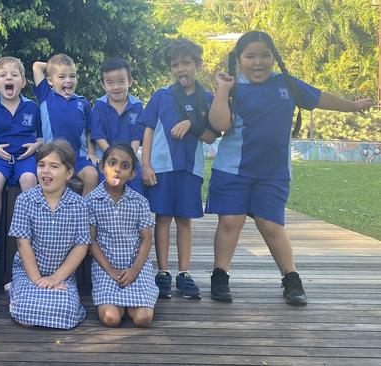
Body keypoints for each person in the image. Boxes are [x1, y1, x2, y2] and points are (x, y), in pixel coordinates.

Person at [207, 31, 374, 305]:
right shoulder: (233, 87)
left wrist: (353, 106)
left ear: (274, 57)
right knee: (230, 222)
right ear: (239, 60)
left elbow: (320, 98)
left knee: (271, 224)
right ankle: (220, 275)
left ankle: (291, 278)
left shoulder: (286, 84)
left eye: (265, 55)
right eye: (250, 56)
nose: (258, 62)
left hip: (273, 173)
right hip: (232, 170)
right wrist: (223, 89)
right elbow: (219, 124)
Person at [139, 39, 218, 300]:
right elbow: (148, 130)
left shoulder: (207, 98)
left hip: (191, 168)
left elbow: (210, 136)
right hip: (161, 168)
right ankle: (163, 272)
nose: (180, 68)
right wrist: (146, 164)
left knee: (184, 220)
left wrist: (190, 124)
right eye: (175, 64)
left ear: (198, 64)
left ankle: (184, 273)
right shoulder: (161, 96)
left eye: (186, 62)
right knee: (161, 218)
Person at [7, 140, 89, 329]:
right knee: (24, 315)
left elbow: (81, 246)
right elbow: (23, 244)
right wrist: (37, 280)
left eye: (54, 166)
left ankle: (40, 294)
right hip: (28, 272)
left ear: (68, 173)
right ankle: (15, 290)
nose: (45, 171)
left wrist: (55, 279)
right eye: (41, 165)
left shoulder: (79, 205)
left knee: (68, 315)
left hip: (62, 273)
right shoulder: (25, 200)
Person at [0, 57, 42, 262]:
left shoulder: (32, 107)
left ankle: (32, 230)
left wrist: (35, 147)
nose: (9, 78)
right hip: (1, 157)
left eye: (14, 75)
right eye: (3, 75)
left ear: (23, 82)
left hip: (25, 157)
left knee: (29, 181)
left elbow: (41, 137)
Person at [86, 144, 157, 327]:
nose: (117, 169)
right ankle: (116, 304)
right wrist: (110, 270)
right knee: (111, 318)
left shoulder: (139, 201)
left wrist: (134, 270)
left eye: (125, 166)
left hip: (136, 267)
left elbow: (147, 239)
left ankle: (131, 305)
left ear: (132, 173)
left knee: (143, 319)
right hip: (106, 268)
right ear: (102, 167)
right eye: (112, 163)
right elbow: (91, 241)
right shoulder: (92, 201)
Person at [33, 54, 98, 195]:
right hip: (52, 156)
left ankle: (83, 213)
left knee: (92, 175)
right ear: (50, 81)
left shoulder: (83, 102)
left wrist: (91, 151)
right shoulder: (46, 95)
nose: (68, 80)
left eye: (72, 76)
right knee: (51, 180)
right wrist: (52, 67)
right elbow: (37, 66)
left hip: (78, 158)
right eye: (62, 77)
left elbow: (89, 130)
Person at [90, 57, 145, 195]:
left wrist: (127, 159)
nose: (116, 87)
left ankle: (134, 215)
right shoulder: (99, 105)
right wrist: (114, 158)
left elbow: (136, 137)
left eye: (121, 81)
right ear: (103, 85)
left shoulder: (137, 106)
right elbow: (98, 136)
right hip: (106, 159)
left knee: (137, 181)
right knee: (104, 188)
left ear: (130, 81)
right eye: (110, 83)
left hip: (130, 158)